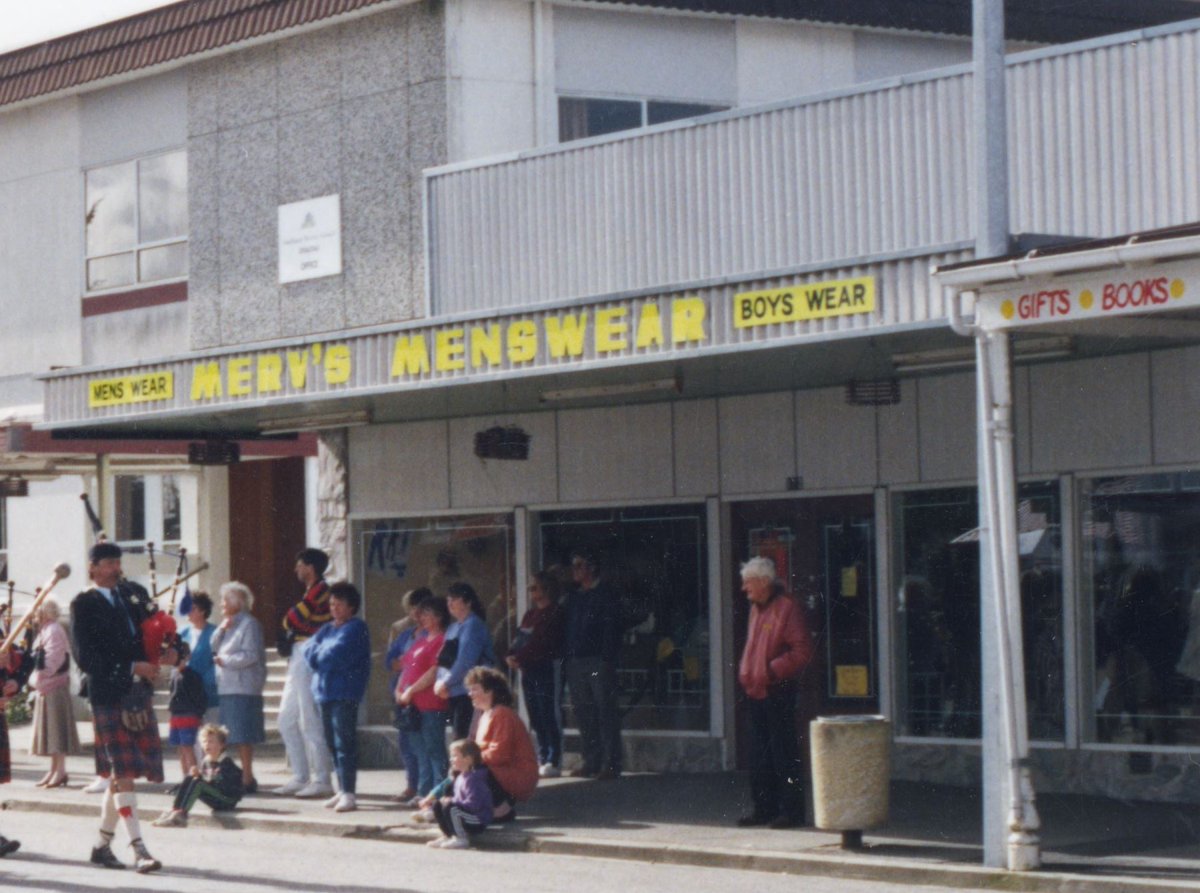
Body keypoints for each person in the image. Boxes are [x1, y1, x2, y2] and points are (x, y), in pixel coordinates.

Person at [69, 541, 163, 873]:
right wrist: (130, 667)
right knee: (123, 773)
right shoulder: (83, 604)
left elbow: (158, 622)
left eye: (117, 562)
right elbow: (86, 658)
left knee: (119, 774)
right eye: (107, 563)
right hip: (107, 694)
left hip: (137, 693)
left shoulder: (133, 594)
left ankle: (101, 846)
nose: (114, 568)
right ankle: (139, 849)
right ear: (93, 567)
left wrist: (170, 650)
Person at [735, 556, 813, 829]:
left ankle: (791, 812)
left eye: (748, 583)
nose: (744, 589)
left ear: (764, 582)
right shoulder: (756, 608)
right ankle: (764, 809)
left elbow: (802, 651)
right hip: (755, 690)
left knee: (784, 753)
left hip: (777, 689)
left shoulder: (787, 608)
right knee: (759, 754)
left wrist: (772, 670)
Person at [306, 582, 371, 812]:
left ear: (351, 606)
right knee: (331, 742)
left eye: (339, 604)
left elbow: (337, 655)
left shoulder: (356, 627)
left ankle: (350, 792)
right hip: (324, 692)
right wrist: (320, 652)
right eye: (332, 604)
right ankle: (341, 788)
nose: (334, 609)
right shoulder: (327, 628)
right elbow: (309, 652)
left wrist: (320, 652)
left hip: (345, 691)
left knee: (344, 742)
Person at [274, 548, 334, 798]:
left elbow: (293, 620)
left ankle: (322, 778)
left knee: (309, 717)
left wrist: (289, 621)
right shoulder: (311, 592)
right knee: (285, 719)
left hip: (308, 651)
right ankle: (300, 775)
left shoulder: (321, 590)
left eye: (300, 565)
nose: (296, 569)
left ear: (310, 567)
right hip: (298, 652)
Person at [563, 550, 622, 779]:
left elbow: (611, 628)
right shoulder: (575, 597)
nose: (575, 571)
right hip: (576, 661)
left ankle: (611, 763)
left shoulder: (605, 594)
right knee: (584, 712)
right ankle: (591, 760)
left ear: (592, 568)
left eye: (579, 565)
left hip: (598, 660)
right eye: (574, 566)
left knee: (605, 711)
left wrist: (607, 658)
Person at [505, 569, 566, 777]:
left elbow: (542, 641)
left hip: (546, 668)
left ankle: (554, 758)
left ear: (546, 589)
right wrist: (511, 655)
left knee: (549, 712)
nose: (531, 591)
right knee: (535, 713)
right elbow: (521, 638)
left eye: (534, 587)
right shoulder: (530, 614)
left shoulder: (555, 612)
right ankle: (542, 755)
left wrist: (519, 658)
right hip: (528, 670)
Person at [210, 581, 266, 795]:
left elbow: (251, 655)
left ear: (239, 602)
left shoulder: (249, 624)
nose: (222, 604)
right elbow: (212, 647)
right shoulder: (227, 623)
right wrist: (221, 630)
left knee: (243, 734)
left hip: (243, 685)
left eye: (226, 599)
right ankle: (229, 775)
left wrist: (225, 660)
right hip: (227, 685)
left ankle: (247, 777)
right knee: (229, 733)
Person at [465, 666, 539, 822]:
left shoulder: (502, 714)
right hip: (500, 771)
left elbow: (500, 754)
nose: (470, 694)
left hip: (516, 774)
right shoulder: (485, 715)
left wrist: (470, 759)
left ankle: (501, 809)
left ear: (489, 691)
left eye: (474, 689)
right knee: (461, 765)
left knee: (472, 767)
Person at [395, 595, 450, 803]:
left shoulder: (441, 640)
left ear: (438, 616)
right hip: (412, 705)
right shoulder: (420, 640)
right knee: (420, 750)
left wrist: (411, 690)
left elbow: (435, 671)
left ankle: (439, 793)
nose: (422, 617)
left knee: (434, 748)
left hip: (430, 704)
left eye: (426, 613)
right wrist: (400, 691)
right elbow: (406, 666)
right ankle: (423, 792)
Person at [385, 587, 431, 802]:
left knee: (425, 744)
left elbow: (421, 665)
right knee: (406, 742)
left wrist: (405, 663)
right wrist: (403, 664)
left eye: (420, 610)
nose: (415, 614)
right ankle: (412, 785)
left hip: (423, 694)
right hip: (402, 693)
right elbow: (390, 661)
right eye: (413, 609)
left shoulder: (432, 635)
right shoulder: (404, 633)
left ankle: (426, 788)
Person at [434, 582, 496, 738]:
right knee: (458, 738)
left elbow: (465, 662)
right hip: (452, 692)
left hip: (470, 693)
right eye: (448, 599)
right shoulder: (453, 627)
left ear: (468, 602)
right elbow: (443, 660)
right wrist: (440, 682)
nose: (450, 603)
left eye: (454, 598)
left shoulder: (474, 625)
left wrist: (445, 682)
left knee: (466, 740)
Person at [28, 597, 79, 788]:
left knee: (56, 731)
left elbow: (53, 659)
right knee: (50, 732)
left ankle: (60, 770)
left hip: (54, 685)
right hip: (47, 686)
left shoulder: (54, 630)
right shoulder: (46, 630)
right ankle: (55, 769)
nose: (33, 615)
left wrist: (38, 678)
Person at [152, 723, 244, 828]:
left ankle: (182, 815)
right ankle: (175, 810)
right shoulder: (207, 761)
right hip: (216, 795)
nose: (207, 745)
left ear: (222, 745)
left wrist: (202, 778)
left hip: (227, 799)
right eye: (204, 741)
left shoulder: (226, 763)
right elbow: (207, 782)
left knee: (198, 783)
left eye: (211, 742)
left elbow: (222, 786)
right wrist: (196, 776)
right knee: (191, 777)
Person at [425, 739, 492, 850]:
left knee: (452, 808)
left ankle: (461, 838)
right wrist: (447, 801)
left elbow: (474, 805)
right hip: (466, 814)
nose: (451, 760)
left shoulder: (474, 779)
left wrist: (452, 802)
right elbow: (457, 800)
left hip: (478, 819)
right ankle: (448, 835)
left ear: (468, 759)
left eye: (455, 756)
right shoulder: (460, 777)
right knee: (439, 804)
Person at [178, 592, 220, 736]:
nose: (189, 611)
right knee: (192, 740)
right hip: (188, 694)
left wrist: (206, 681)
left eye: (193, 608)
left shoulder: (215, 632)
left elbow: (218, 661)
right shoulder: (183, 633)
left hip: (208, 693)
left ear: (202, 611)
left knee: (211, 736)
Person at [164, 639, 206, 779]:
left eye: (173, 654)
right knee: (180, 748)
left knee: (187, 747)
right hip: (176, 715)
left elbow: (199, 697)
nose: (169, 657)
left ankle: (194, 777)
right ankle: (185, 778)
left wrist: (199, 714)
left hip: (188, 715)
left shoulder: (192, 676)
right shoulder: (174, 674)